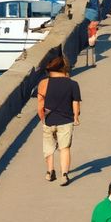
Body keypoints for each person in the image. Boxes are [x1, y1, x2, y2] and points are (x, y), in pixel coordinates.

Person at [33, 55, 81, 184]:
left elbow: (40, 103)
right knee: (64, 148)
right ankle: (64, 175)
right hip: (66, 120)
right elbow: (75, 102)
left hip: (49, 119)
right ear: (64, 68)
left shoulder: (44, 83)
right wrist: (76, 117)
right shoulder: (73, 84)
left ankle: (50, 172)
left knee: (48, 148)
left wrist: (42, 118)